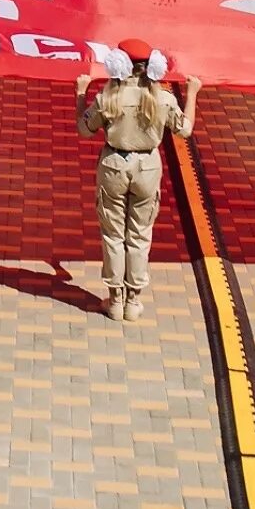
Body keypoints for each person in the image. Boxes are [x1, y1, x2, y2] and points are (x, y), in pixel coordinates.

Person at [76, 39, 200, 321]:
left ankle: (115, 299)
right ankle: (134, 300)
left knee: (113, 235)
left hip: (113, 167)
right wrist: (191, 94)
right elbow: (185, 130)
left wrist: (81, 95)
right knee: (140, 235)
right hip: (147, 168)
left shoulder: (108, 98)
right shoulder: (163, 99)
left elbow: (84, 129)